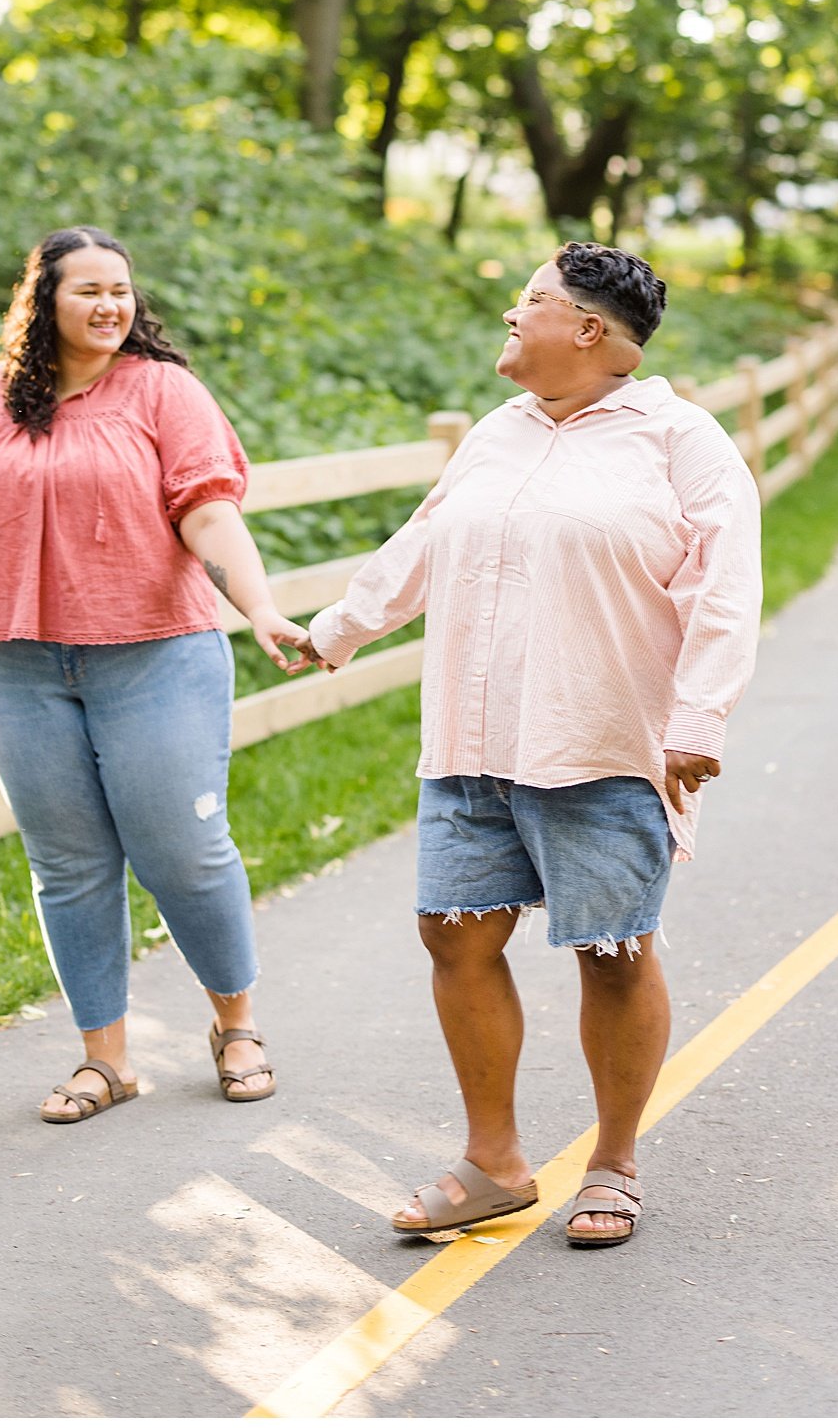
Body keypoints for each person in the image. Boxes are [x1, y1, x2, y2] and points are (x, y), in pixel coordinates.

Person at [305, 242, 762, 1245]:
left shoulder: (681, 441)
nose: (512, 313)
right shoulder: (497, 433)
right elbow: (426, 538)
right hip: (472, 738)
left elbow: (725, 588)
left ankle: (613, 1160)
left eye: (532, 300)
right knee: (454, 934)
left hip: (600, 740)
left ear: (588, 329)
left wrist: (697, 721)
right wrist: (339, 627)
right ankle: (494, 1160)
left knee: (612, 951)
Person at [0, 225, 311, 1121]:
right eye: (88, 289)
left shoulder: (164, 391)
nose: (109, 305)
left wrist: (261, 606)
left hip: (154, 654)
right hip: (13, 667)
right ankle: (107, 1058)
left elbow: (209, 511)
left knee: (184, 850)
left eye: (121, 289)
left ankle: (236, 1024)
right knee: (67, 863)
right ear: (43, 299)